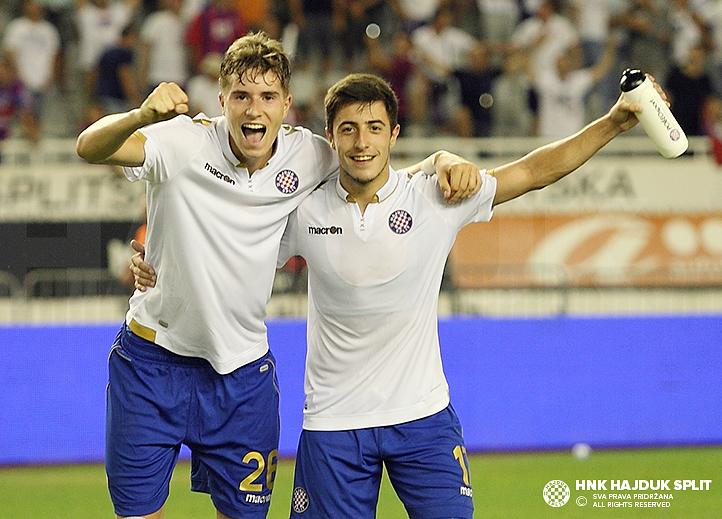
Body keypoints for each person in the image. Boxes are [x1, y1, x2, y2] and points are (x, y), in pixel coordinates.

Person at [130, 71, 666, 518]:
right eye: (348, 130)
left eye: (373, 128)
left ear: (393, 134)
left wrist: (617, 120)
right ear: (330, 136)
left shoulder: (438, 196)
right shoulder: (301, 209)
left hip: (423, 418)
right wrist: (156, 263)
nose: (361, 142)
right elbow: (222, 234)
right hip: (334, 425)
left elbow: (533, 170)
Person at [76, 31, 479, 519]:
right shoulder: (181, 141)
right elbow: (90, 147)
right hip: (151, 363)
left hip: (241, 376)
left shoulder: (311, 155)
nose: (254, 110)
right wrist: (141, 115)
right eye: (241, 97)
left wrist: (442, 159)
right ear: (221, 100)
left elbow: (378, 167)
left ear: (287, 104)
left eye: (267, 97)